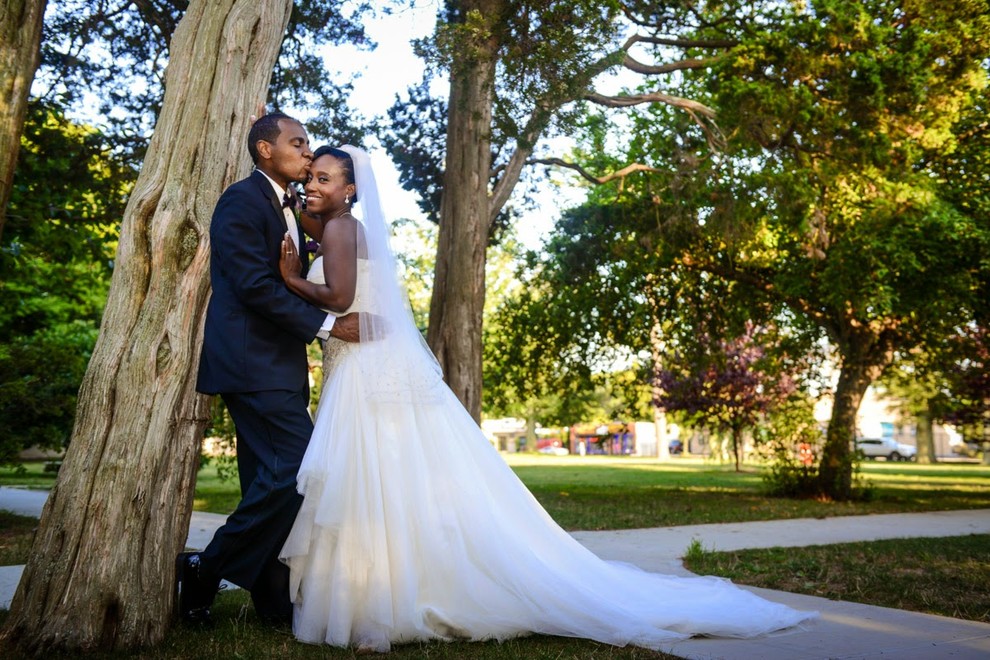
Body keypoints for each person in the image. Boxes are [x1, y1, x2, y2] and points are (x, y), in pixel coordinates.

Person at [277, 145, 817, 652]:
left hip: (368, 371)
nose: (314, 186)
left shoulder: (343, 228)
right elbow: (321, 245)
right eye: (311, 178)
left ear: (350, 190)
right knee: (386, 483)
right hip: (372, 367)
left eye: (326, 179)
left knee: (371, 483)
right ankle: (383, 602)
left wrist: (290, 277)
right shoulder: (342, 227)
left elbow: (340, 298)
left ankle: (376, 610)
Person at [177, 113, 359, 626]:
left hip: (277, 366)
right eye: (297, 143)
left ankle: (272, 598)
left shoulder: (291, 208)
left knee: (269, 482)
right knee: (301, 470)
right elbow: (254, 286)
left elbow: (294, 279)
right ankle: (204, 568)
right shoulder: (241, 200)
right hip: (250, 362)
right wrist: (329, 326)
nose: (307, 152)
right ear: (264, 150)